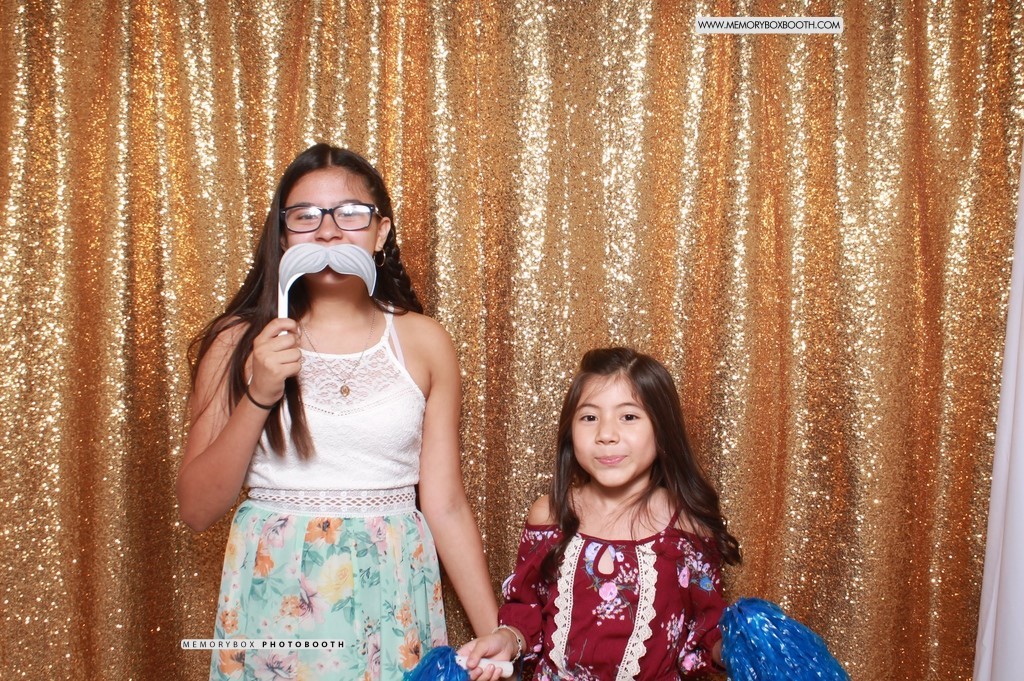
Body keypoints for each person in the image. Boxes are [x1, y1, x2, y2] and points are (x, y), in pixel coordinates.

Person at [176, 143, 498, 680]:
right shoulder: (237, 342)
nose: (328, 232)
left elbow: (444, 504)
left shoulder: (424, 342)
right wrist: (260, 393)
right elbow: (196, 509)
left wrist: (496, 639)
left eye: (350, 214)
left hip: (392, 596)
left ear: (381, 231)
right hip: (277, 601)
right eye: (305, 216)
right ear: (284, 236)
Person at [458, 347, 742, 680]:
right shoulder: (550, 515)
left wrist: (744, 648)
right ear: (570, 429)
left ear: (662, 428)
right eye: (590, 417)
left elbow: (706, 635)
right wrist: (507, 639)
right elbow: (526, 610)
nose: (606, 435)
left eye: (629, 417)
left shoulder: (687, 526)